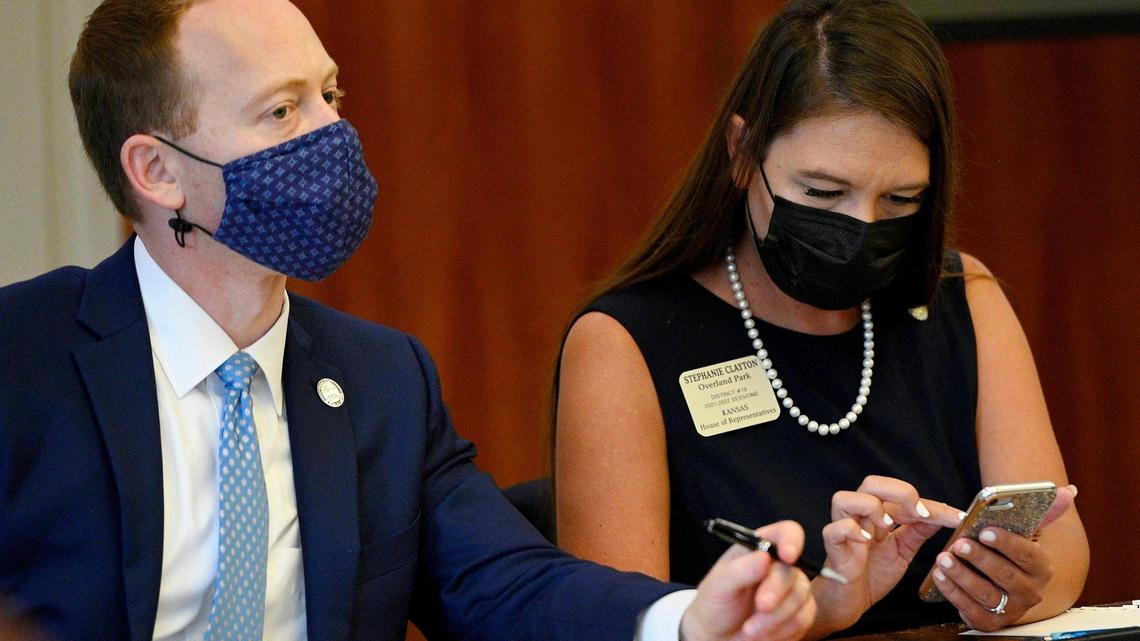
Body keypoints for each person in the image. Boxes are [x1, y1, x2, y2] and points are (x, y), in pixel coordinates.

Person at [0, 1, 819, 640]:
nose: (335, 133)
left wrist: (690, 618)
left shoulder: (382, 379)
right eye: (281, 111)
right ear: (157, 171)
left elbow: (506, 583)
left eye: (330, 94)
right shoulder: (22, 357)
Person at [553, 0, 1089, 638]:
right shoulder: (626, 342)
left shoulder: (961, 295)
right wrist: (822, 608)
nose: (860, 228)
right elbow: (618, 623)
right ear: (743, 152)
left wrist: (1018, 585)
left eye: (900, 199)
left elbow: (1061, 550)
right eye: (822, 193)